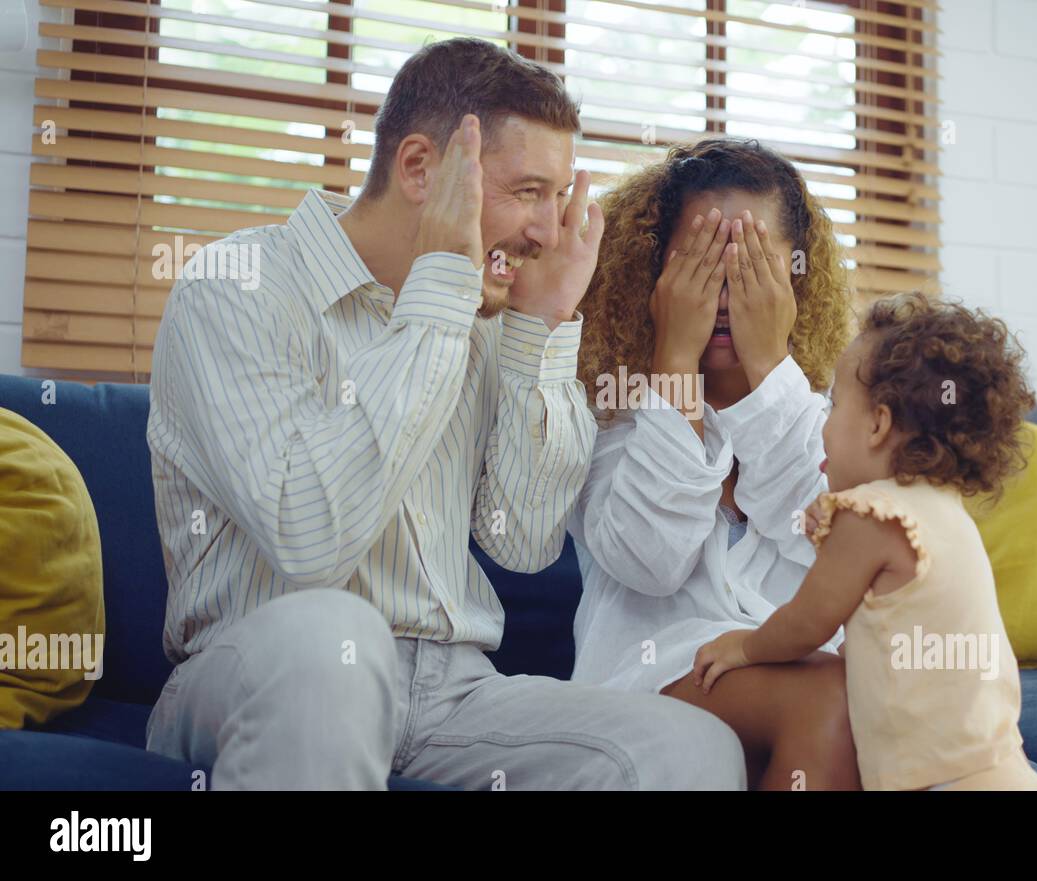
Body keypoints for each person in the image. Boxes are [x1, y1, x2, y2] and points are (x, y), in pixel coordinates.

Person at [144, 37, 745, 791]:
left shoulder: (483, 317)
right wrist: (437, 291)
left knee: (692, 748)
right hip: (263, 669)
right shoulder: (237, 291)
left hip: (449, 693)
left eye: (560, 200)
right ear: (421, 169)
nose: (548, 233)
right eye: (528, 192)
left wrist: (539, 329)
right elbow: (308, 537)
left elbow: (522, 540)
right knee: (338, 639)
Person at [570, 138, 859, 789]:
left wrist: (767, 370)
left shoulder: (831, 419)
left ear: (795, 279)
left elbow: (831, 546)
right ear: (656, 277)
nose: (726, 293)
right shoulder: (605, 410)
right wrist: (674, 361)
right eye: (702, 263)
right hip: (649, 687)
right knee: (835, 699)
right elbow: (650, 562)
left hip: (796, 679)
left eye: (750, 265)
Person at [693, 293, 1037, 791]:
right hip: (998, 769)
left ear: (879, 424)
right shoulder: (941, 511)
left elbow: (807, 622)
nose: (823, 422)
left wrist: (745, 648)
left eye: (834, 404)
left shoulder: (869, 518)